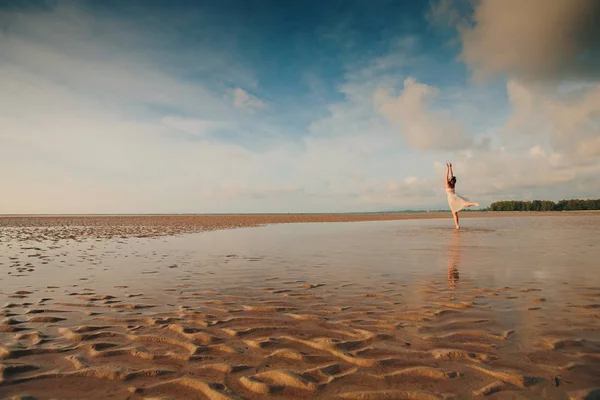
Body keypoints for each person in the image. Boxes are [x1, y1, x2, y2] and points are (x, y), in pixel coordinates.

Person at [445, 162, 479, 229]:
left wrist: (448, 168)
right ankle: (474, 203)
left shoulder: (448, 184)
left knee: (454, 213)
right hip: (455, 196)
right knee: (465, 203)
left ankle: (457, 225)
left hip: (451, 199)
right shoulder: (453, 184)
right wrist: (450, 168)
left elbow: (447, 176)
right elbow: (451, 176)